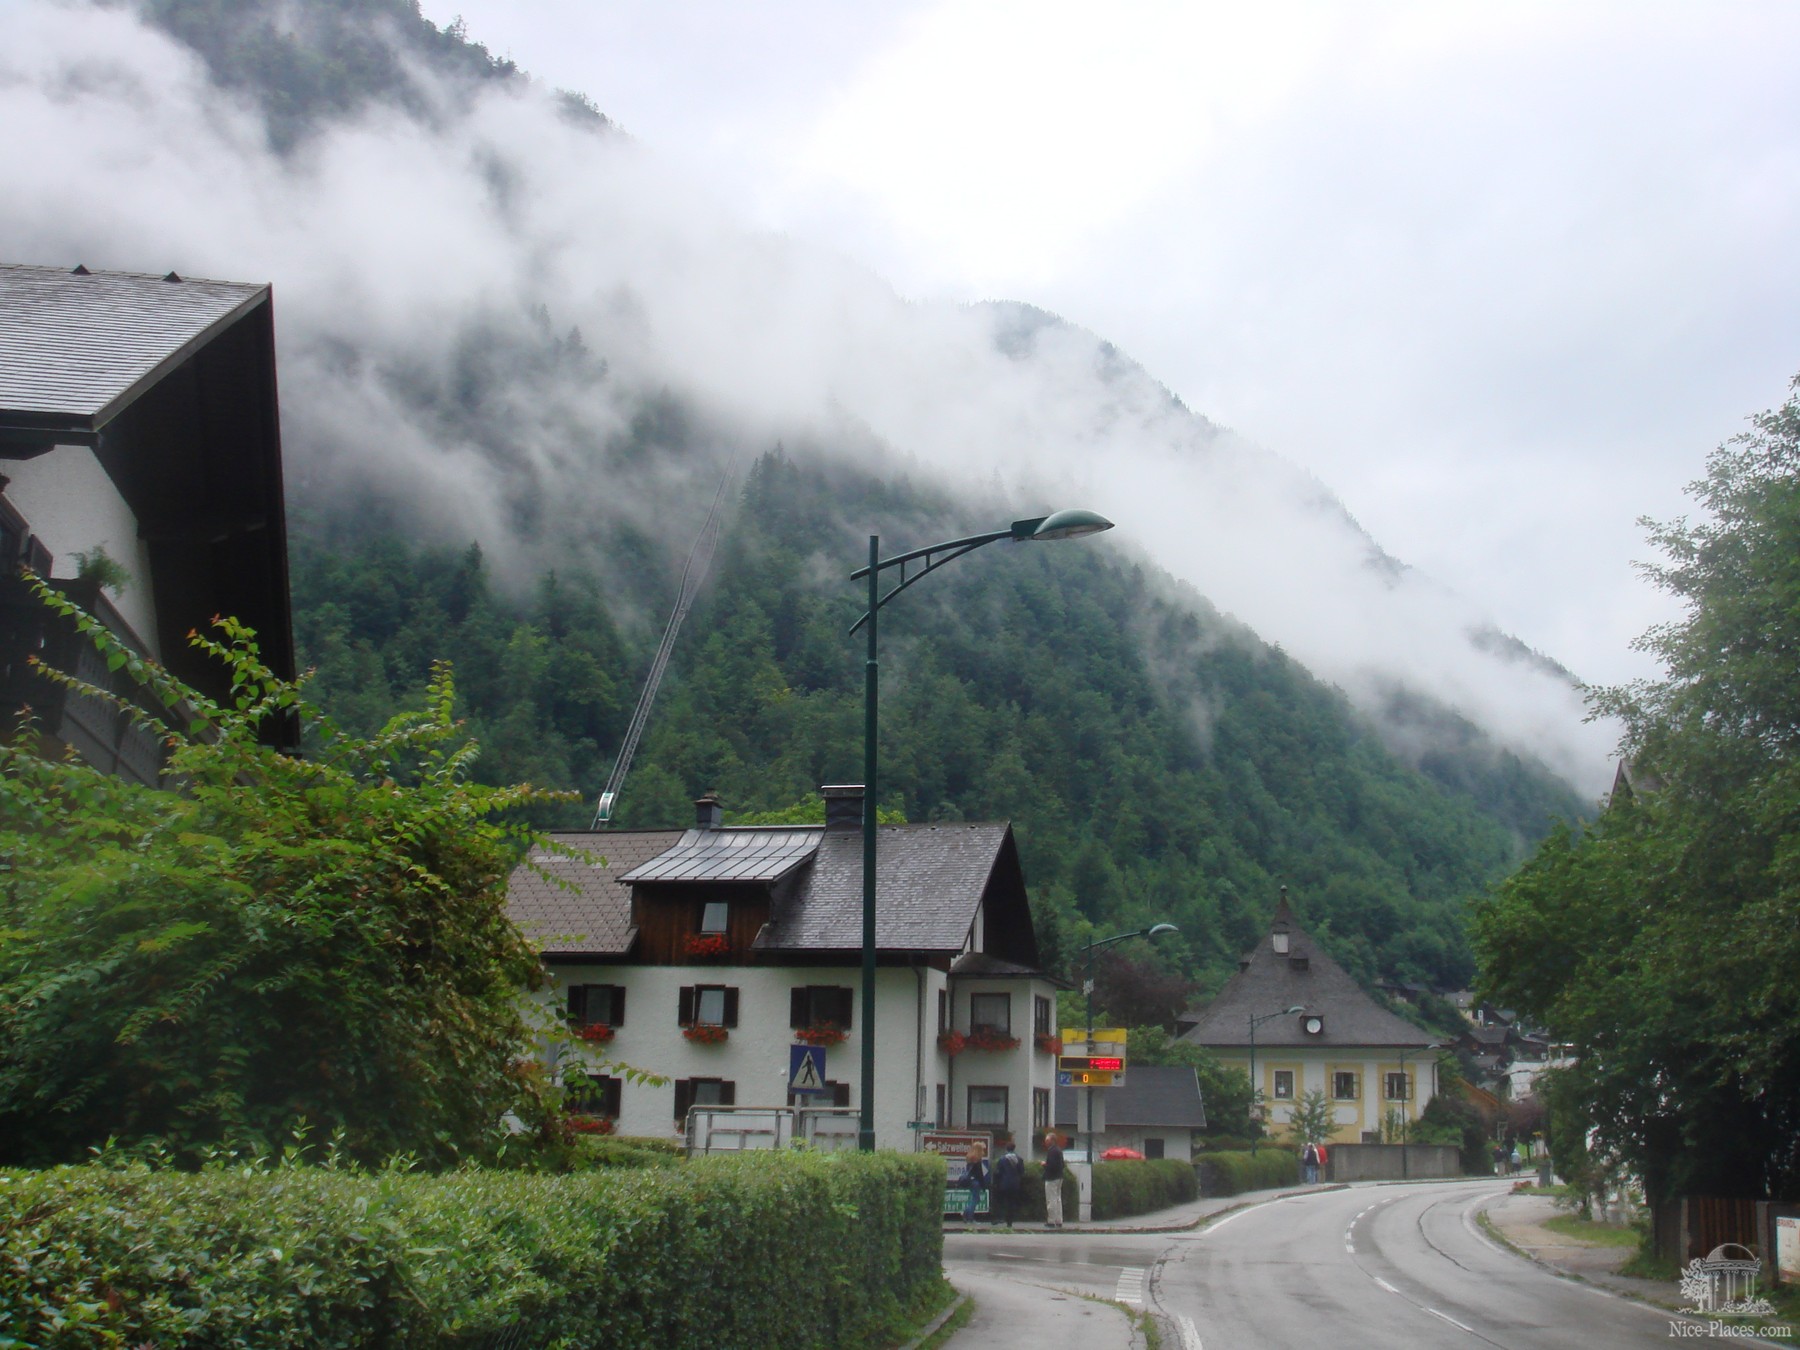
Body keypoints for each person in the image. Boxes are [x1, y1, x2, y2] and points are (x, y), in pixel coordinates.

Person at [992, 1140, 1024, 1228]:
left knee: (1001, 1201)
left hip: (1004, 1183)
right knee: (1011, 1202)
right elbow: (1022, 1172)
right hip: (1015, 1184)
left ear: (1006, 1148)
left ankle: (1000, 1217)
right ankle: (1009, 1221)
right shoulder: (1019, 1159)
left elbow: (998, 1172)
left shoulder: (1002, 1159)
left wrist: (996, 1182)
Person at [960, 1142, 989, 1224]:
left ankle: (966, 1214)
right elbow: (980, 1174)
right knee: (975, 1199)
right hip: (976, 1182)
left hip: (970, 1181)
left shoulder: (970, 1158)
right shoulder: (977, 1160)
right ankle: (969, 1217)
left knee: (975, 1198)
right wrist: (984, 1186)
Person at [1042, 1132, 1067, 1228]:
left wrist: (1045, 1165)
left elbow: (1051, 1166)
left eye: (1047, 1140)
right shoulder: (1059, 1150)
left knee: (1051, 1199)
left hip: (1051, 1178)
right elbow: (1062, 1164)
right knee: (1058, 1199)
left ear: (1052, 1140)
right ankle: (1059, 1220)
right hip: (1059, 1177)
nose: (1045, 1142)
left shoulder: (1052, 1151)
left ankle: (1051, 1220)